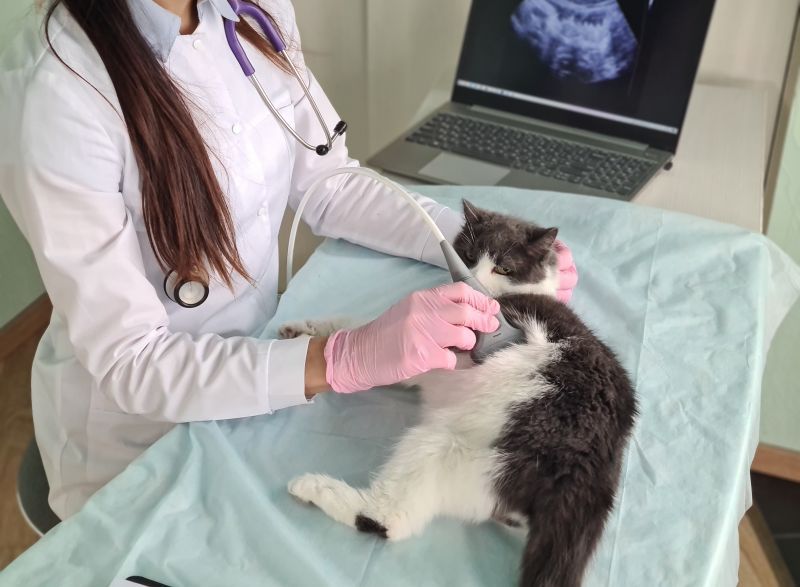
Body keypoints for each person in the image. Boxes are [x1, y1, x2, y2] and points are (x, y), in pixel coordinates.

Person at [0, 0, 578, 519]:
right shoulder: (57, 95)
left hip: (265, 370)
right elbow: (132, 361)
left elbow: (327, 181)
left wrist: (484, 247)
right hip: (140, 440)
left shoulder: (255, 10)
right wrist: (342, 359)